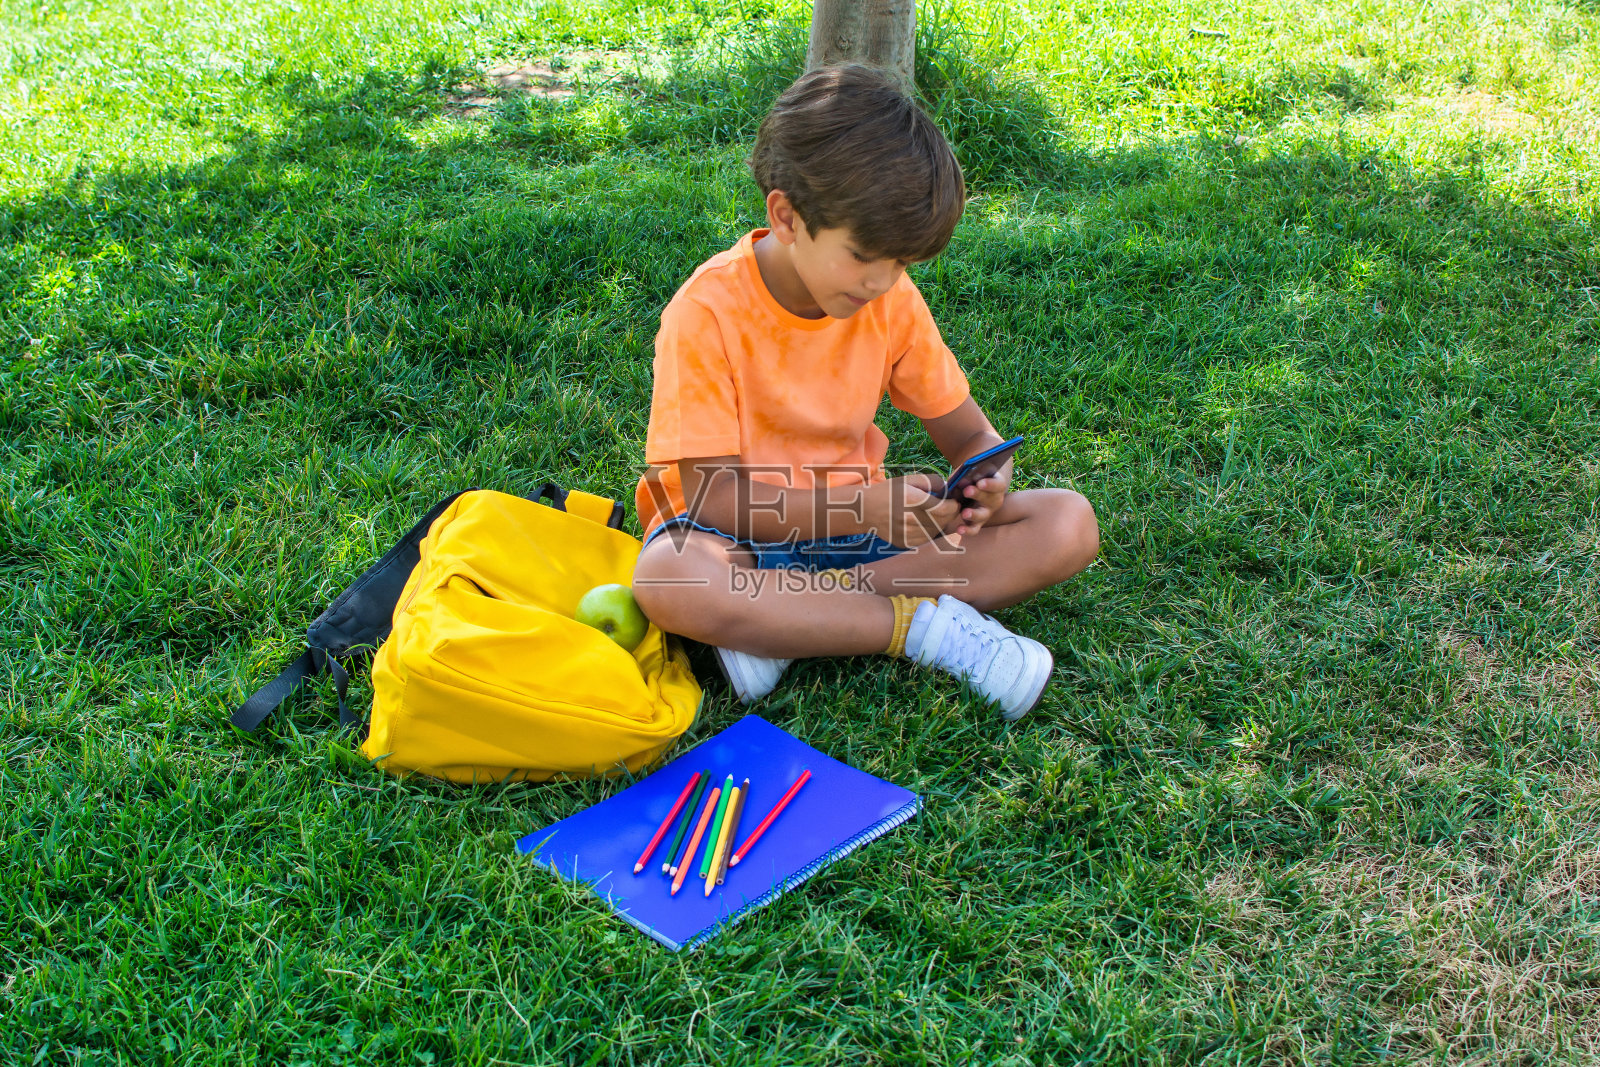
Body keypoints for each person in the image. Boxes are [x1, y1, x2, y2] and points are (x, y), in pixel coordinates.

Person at [630, 65, 1098, 720]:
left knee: (1066, 522)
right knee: (668, 577)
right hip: (734, 535)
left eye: (901, 263)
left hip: (857, 534)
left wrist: (989, 473)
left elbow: (969, 435)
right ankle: (915, 627)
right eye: (864, 255)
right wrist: (854, 509)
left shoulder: (889, 300)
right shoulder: (706, 312)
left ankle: (791, 620)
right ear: (787, 216)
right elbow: (719, 499)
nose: (883, 281)